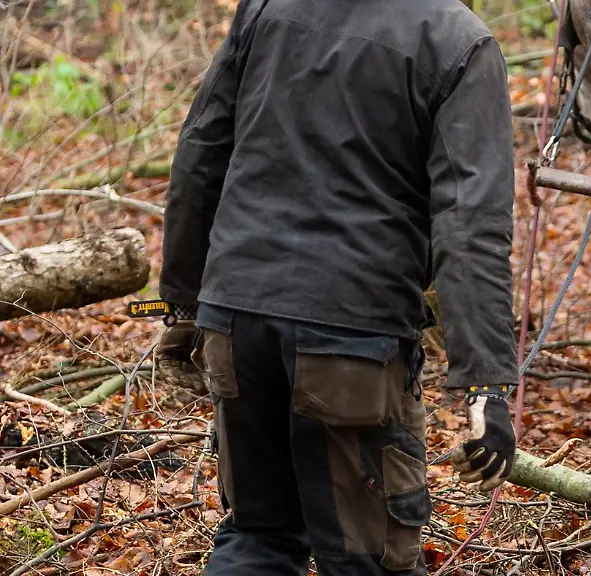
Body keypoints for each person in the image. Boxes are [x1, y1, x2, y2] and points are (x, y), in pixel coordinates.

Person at [153, 0, 520, 573]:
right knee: (367, 560)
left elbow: (199, 151)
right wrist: (488, 386)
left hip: (237, 319)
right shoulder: (459, 41)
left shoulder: (267, 8)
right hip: (353, 337)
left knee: (259, 538)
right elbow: (470, 225)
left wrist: (182, 302)